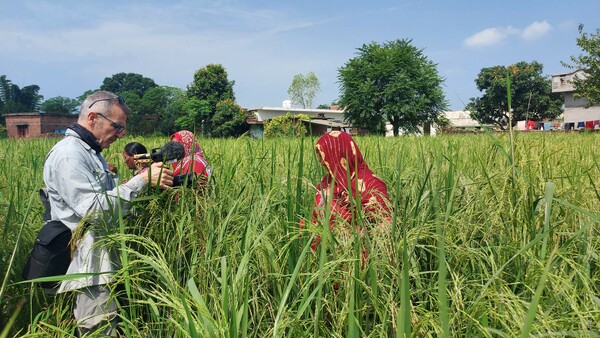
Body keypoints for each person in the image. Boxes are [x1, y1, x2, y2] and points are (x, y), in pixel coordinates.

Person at [43, 91, 174, 336]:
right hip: (90, 266)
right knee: (99, 329)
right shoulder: (69, 155)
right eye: (117, 127)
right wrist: (141, 182)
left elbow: (109, 199)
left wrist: (142, 182)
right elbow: (92, 210)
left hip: (103, 260)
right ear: (93, 117)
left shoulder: (91, 153)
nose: (120, 135)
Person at [303, 131, 391, 251]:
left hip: (355, 255)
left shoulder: (370, 184)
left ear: (341, 154)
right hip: (322, 254)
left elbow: (387, 224)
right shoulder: (325, 182)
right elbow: (315, 215)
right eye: (319, 156)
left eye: (325, 156)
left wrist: (353, 236)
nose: (322, 162)